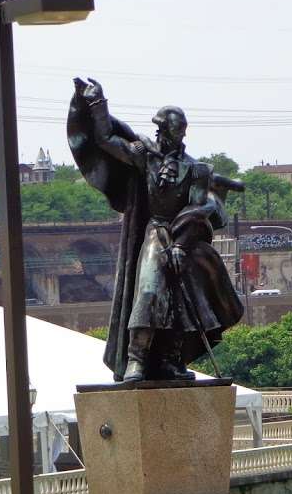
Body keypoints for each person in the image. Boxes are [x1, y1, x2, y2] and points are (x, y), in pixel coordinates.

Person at [67, 78, 244, 381]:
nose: (165, 137)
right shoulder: (145, 157)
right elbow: (107, 138)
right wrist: (97, 104)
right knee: (149, 289)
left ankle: (170, 359)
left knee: (180, 299)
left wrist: (181, 246)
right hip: (155, 231)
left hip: (183, 239)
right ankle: (137, 357)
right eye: (163, 131)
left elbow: (197, 210)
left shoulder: (197, 170)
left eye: (171, 132)